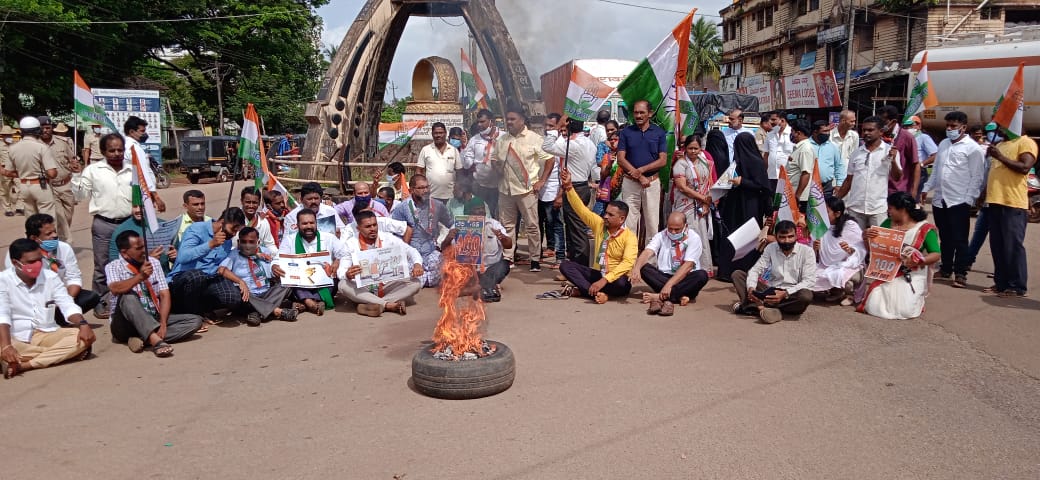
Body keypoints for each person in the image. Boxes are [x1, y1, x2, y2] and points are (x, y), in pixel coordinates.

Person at [0, 239, 95, 378]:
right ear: (15, 263)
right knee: (3, 345)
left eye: (39, 260)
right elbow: (3, 313)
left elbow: (67, 304)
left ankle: (24, 364)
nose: (37, 264)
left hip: (46, 332)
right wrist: (7, 346)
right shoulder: (3, 280)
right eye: (31, 262)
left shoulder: (50, 277)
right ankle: (63, 354)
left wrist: (83, 324)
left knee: (81, 338)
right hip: (14, 336)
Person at [106, 231, 203, 357]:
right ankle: (156, 341)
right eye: (139, 248)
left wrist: (163, 323)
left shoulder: (153, 262)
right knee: (127, 296)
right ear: (125, 252)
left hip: (153, 316)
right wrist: (140, 277)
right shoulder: (113, 266)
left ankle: (144, 338)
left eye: (144, 246)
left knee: (195, 321)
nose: (144, 250)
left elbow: (164, 294)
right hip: (124, 323)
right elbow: (115, 288)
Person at [74, 134, 136, 319]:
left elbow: (142, 192)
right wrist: (77, 174)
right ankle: (100, 301)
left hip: (128, 222)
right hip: (104, 224)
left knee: (130, 261)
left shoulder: (133, 169)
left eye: (120, 149)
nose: (117, 153)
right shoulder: (93, 170)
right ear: (103, 151)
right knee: (102, 264)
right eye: (112, 150)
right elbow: (80, 195)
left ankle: (130, 298)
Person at [921, 111, 986, 288]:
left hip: (959, 200)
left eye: (953, 126)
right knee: (945, 237)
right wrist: (926, 188)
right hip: (940, 199)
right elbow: (936, 171)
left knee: (960, 239)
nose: (949, 129)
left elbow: (977, 177)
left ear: (963, 127)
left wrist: (969, 199)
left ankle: (960, 273)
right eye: (948, 126)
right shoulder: (943, 144)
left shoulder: (973, 149)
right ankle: (946, 268)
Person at [4, 213, 100, 326]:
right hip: (30, 301)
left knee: (91, 297)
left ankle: (59, 320)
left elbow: (73, 277)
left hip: (59, 296)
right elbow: (19, 288)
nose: (55, 235)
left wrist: (66, 300)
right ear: (34, 238)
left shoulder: (64, 248)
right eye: (49, 234)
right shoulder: (17, 255)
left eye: (55, 231)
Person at [557, 168, 637, 304]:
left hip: (615, 279)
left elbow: (627, 263)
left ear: (622, 219)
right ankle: (596, 293)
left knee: (622, 284)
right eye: (606, 213)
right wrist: (569, 187)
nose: (605, 216)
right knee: (566, 266)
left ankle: (589, 291)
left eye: (611, 215)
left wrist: (604, 280)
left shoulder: (629, 237)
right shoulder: (600, 224)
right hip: (598, 274)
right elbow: (581, 210)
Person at [859, 193, 941, 319]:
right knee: (874, 306)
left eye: (891, 208)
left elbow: (936, 254)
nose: (888, 211)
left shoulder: (924, 228)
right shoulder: (887, 223)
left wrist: (919, 261)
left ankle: (919, 299)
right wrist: (866, 238)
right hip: (888, 271)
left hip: (912, 273)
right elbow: (874, 250)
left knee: (904, 310)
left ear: (902, 209)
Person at [981, 121, 1037, 298]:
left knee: (1012, 246)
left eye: (1004, 125)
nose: (1001, 128)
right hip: (995, 201)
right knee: (997, 246)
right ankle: (1001, 283)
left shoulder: (1025, 142)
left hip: (1013, 203)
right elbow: (994, 172)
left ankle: (1017, 286)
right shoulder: (1001, 145)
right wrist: (983, 195)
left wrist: (999, 157)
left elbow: (1024, 167)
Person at [493, 103, 550, 270]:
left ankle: (534, 259)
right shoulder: (502, 139)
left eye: (512, 119)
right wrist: (496, 167)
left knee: (532, 225)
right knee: (507, 225)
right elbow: (494, 159)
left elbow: (549, 159)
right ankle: (508, 258)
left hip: (527, 190)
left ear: (522, 120)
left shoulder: (534, 138)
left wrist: (542, 181)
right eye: (507, 119)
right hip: (505, 189)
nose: (509, 122)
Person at [731, 220, 816, 324]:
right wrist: (751, 288)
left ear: (796, 236)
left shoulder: (807, 251)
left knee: (806, 295)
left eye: (790, 236)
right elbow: (756, 269)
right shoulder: (771, 248)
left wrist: (785, 294)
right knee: (738, 275)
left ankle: (756, 308)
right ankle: (765, 308)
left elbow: (809, 281)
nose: (787, 241)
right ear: (776, 237)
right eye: (782, 237)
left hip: (791, 294)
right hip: (770, 291)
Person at [339, 210, 423, 317]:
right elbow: (341, 271)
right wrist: (347, 274)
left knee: (415, 283)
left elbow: (411, 251)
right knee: (342, 285)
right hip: (363, 286)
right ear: (358, 228)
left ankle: (373, 304)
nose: (373, 229)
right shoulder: (350, 244)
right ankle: (388, 305)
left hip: (387, 284)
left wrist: (417, 264)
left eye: (375, 225)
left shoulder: (388, 238)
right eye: (368, 226)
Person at [166, 208, 247, 317]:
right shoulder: (196, 229)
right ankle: (191, 315)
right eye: (233, 229)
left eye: (237, 231)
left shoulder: (227, 241)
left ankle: (201, 309)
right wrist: (211, 244)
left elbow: (220, 266)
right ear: (222, 222)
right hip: (185, 278)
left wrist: (239, 280)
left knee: (233, 298)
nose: (233, 233)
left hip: (209, 279)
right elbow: (182, 257)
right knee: (197, 276)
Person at [717, 132, 772, 281]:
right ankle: (728, 272)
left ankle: (746, 271)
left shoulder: (757, 162)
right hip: (735, 205)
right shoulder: (737, 162)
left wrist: (743, 182)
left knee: (748, 236)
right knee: (733, 236)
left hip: (750, 205)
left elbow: (762, 186)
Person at [631, 212, 710, 315]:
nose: (672, 232)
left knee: (702, 275)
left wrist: (668, 286)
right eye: (670, 228)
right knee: (644, 267)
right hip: (664, 277)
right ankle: (679, 295)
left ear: (685, 226)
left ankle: (660, 296)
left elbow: (688, 266)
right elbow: (647, 252)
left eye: (677, 229)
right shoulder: (661, 235)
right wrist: (636, 268)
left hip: (685, 278)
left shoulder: (694, 238)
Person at [545, 116, 599, 266]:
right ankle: (574, 266)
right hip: (580, 186)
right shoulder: (588, 143)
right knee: (573, 228)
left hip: (574, 187)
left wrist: (556, 128)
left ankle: (580, 267)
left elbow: (547, 146)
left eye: (564, 126)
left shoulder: (574, 145)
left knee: (577, 231)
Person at [217, 228, 296, 326]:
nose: (247, 245)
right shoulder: (234, 254)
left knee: (287, 284)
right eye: (244, 242)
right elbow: (222, 270)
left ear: (258, 242)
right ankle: (277, 311)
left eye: (251, 242)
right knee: (239, 293)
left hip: (266, 292)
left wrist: (276, 272)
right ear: (238, 242)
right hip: (248, 296)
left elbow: (272, 272)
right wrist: (240, 281)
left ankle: (256, 313)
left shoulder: (265, 252)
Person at [836, 116, 902, 231]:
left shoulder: (889, 151)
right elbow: (849, 180)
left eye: (870, 130)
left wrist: (893, 160)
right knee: (855, 242)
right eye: (864, 130)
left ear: (881, 131)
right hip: (855, 207)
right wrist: (836, 199)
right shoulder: (856, 153)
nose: (866, 133)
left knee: (878, 243)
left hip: (878, 208)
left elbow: (897, 177)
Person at [279, 208, 348, 315]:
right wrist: (275, 266)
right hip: (300, 281)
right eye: (304, 223)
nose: (309, 226)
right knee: (289, 282)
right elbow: (279, 259)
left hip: (322, 280)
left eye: (312, 223)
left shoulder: (329, 237)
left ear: (316, 223)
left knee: (334, 280)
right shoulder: (289, 240)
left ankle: (304, 302)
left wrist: (337, 262)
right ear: (297, 225)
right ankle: (313, 302)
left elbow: (344, 254)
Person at [617, 99, 668, 243]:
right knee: (629, 223)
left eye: (642, 112)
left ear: (650, 114)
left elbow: (663, 160)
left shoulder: (659, 133)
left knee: (652, 223)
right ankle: (630, 258)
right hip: (630, 183)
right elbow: (621, 158)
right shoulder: (626, 132)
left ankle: (650, 261)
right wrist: (639, 176)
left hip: (651, 183)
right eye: (636, 113)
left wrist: (641, 170)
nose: (638, 116)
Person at [442, 200, 511, 302]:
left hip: (489, 269)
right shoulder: (458, 225)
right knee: (448, 271)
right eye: (476, 209)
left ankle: (473, 289)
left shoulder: (493, 224)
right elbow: (444, 249)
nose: (480, 212)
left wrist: (502, 237)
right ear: (468, 212)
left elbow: (509, 245)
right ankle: (486, 287)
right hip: (467, 270)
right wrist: (448, 238)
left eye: (482, 208)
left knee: (504, 265)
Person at [391, 174, 454, 286]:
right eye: (421, 188)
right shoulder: (401, 208)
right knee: (406, 278)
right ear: (411, 190)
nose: (425, 190)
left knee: (451, 269)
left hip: (431, 252)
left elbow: (451, 224)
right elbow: (395, 236)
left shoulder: (437, 205)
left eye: (427, 187)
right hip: (411, 254)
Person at [670, 135, 714, 276]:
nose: (693, 151)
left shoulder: (704, 162)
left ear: (701, 148)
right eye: (690, 148)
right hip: (685, 205)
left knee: (700, 235)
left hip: (701, 205)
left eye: (696, 148)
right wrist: (703, 198)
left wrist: (707, 201)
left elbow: (708, 182)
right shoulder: (680, 164)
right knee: (686, 235)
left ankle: (702, 268)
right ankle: (683, 268)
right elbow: (682, 187)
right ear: (685, 148)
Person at [812, 197, 865, 306]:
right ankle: (835, 291)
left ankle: (849, 295)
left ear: (837, 214)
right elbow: (815, 256)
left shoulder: (850, 226)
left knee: (841, 275)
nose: (822, 214)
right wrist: (815, 249)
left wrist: (850, 250)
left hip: (848, 265)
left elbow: (861, 248)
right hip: (825, 264)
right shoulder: (820, 226)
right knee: (809, 275)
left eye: (826, 212)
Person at [6, 117, 58, 220]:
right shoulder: (41, 147)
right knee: (47, 218)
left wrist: (22, 173)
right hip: (41, 186)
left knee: (31, 219)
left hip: (24, 186)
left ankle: (32, 236)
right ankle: (50, 236)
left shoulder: (13, 148)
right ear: (38, 130)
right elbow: (52, 173)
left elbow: (8, 172)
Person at [37, 116, 79, 241]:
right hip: (49, 186)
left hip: (66, 185)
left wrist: (75, 165)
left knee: (68, 215)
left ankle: (61, 237)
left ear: (52, 129)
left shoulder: (62, 143)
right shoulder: (36, 145)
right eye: (42, 128)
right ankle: (65, 241)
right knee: (58, 216)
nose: (45, 130)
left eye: (48, 128)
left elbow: (72, 160)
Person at [533, 113, 564, 265]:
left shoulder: (561, 144)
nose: (547, 128)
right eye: (546, 125)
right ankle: (536, 254)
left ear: (558, 127)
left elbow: (560, 169)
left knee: (556, 223)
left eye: (551, 126)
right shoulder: (542, 142)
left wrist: (560, 194)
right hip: (538, 190)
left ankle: (559, 256)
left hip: (553, 188)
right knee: (539, 222)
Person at [108, 205, 176, 272]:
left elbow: (178, 254)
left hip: (165, 277)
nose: (138, 210)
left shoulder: (165, 225)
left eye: (142, 206)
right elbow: (114, 260)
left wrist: (174, 256)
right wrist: (148, 260)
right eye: (135, 206)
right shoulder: (121, 230)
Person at [122, 116, 166, 212]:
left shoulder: (125, 145)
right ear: (132, 132)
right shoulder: (134, 148)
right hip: (138, 191)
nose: (145, 134)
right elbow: (143, 173)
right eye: (142, 131)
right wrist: (156, 197)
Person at [464, 109, 502, 218]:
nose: (479, 125)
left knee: (497, 215)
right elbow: (467, 161)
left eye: (483, 122)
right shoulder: (474, 140)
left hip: (498, 185)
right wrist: (468, 161)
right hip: (479, 185)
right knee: (479, 213)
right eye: (478, 122)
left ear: (492, 122)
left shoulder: (503, 137)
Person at [417, 122, 463, 204]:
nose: (438, 135)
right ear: (432, 134)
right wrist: (421, 189)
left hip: (450, 196)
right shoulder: (426, 150)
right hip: (431, 196)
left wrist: (458, 186)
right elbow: (419, 171)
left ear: (445, 134)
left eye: (441, 133)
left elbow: (459, 171)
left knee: (448, 217)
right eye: (436, 133)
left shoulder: (453, 150)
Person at [879, 105, 920, 197]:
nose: (879, 124)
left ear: (893, 121)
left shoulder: (906, 137)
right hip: (879, 189)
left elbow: (915, 164)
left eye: (882, 122)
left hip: (899, 190)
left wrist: (914, 191)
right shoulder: (878, 135)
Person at [904, 115, 939, 202]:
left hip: (919, 171)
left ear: (919, 126)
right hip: (906, 171)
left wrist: (922, 164)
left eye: (911, 126)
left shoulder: (924, 138)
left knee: (915, 198)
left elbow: (936, 154)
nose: (908, 128)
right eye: (906, 126)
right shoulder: (905, 138)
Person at [787, 119, 815, 213]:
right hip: (791, 193)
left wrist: (797, 196)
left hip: (799, 197)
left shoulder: (805, 149)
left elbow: (806, 174)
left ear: (798, 133)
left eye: (792, 132)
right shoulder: (798, 148)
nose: (791, 135)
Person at [811, 120, 846, 197]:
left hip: (827, 187)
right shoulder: (806, 145)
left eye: (828, 131)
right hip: (809, 186)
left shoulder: (833, 146)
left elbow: (839, 166)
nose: (827, 134)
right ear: (815, 132)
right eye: (825, 131)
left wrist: (839, 184)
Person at [239, 186, 277, 253]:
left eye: (254, 203)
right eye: (248, 202)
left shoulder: (263, 222)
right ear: (241, 201)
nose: (251, 206)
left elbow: (269, 244)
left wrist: (277, 257)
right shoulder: (235, 220)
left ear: (259, 203)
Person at [766, 111, 794, 191]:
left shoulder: (792, 133)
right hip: (772, 175)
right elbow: (766, 154)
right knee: (774, 201)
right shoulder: (769, 135)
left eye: (773, 119)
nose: (771, 122)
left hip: (788, 176)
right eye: (770, 119)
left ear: (782, 120)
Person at [0, 124, 24, 216]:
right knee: (5, 191)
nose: (9, 136)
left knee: (22, 187)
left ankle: (19, 207)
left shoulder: (15, 144)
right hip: (4, 170)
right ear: (2, 136)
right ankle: (7, 209)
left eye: (10, 135)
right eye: (6, 135)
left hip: (16, 170)